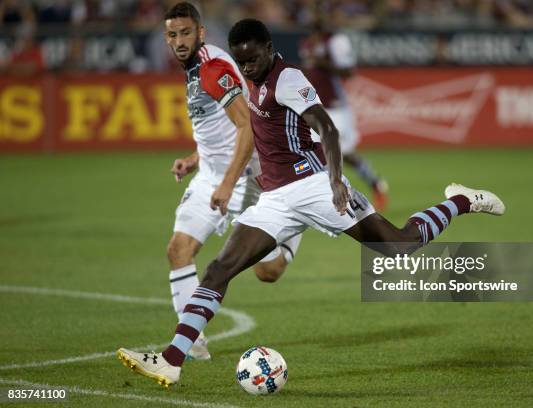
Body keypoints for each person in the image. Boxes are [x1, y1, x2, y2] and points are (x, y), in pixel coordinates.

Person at [117, 18, 506, 387]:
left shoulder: (287, 79)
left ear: (270, 49)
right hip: (276, 200)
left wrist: (336, 181)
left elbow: (327, 127)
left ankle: (460, 201)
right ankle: (172, 360)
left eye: (254, 59)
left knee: (397, 246)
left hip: (315, 186)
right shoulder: (250, 80)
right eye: (243, 61)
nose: (248, 68)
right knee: (220, 269)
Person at [160, 3, 302, 361]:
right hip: (212, 174)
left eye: (186, 33)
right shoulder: (193, 67)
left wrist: (226, 183)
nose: (179, 41)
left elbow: (246, 129)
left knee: (267, 272)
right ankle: (192, 342)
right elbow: (216, 129)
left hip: (247, 176)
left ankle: (294, 225)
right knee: (178, 250)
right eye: (173, 35)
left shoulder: (213, 68)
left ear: (201, 33)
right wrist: (196, 159)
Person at [299, 13, 389, 210]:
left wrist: (324, 64)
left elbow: (348, 72)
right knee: (314, 153)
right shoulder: (306, 43)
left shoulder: (335, 41)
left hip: (336, 107)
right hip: (315, 107)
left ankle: (375, 183)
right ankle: (324, 199)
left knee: (344, 153)